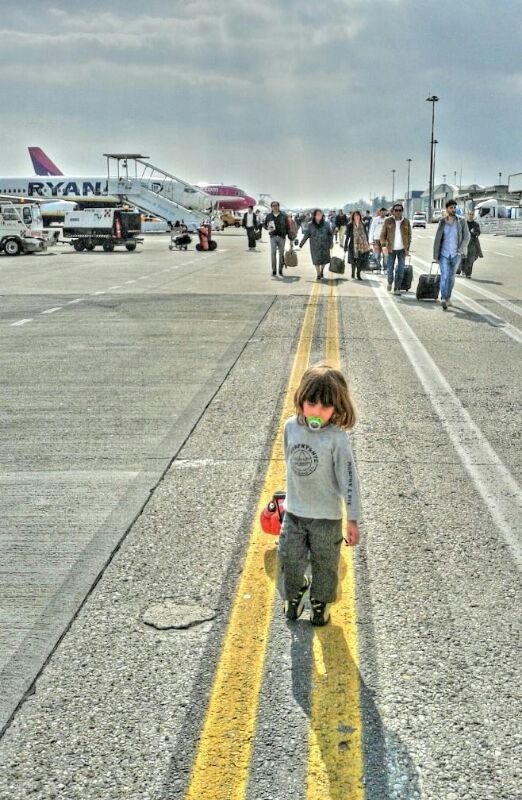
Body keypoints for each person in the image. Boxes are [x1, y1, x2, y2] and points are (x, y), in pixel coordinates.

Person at [279, 363, 361, 627]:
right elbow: (289, 463)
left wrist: (352, 519)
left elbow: (349, 480)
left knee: (325, 566)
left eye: (325, 407)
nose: (317, 411)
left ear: (337, 408)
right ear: (301, 399)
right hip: (294, 513)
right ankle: (296, 591)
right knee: (289, 559)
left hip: (326, 518)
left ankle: (320, 602)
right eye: (311, 403)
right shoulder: (290, 428)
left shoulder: (337, 439)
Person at [433, 199, 470, 309]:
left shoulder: (461, 221)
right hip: (444, 254)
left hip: (456, 254)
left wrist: (461, 249)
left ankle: (448, 297)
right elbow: (437, 239)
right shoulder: (442, 222)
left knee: (451, 277)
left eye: (454, 208)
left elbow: (467, 237)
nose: (453, 210)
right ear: (447, 209)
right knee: (444, 276)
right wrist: (435, 254)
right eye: (451, 208)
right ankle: (444, 298)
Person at [380, 202, 412, 294]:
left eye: (400, 210)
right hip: (390, 250)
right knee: (390, 269)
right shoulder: (388, 221)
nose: (398, 212)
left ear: (402, 211)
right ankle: (390, 282)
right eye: (396, 210)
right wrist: (383, 246)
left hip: (402, 250)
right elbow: (382, 235)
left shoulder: (406, 222)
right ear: (393, 211)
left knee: (401, 270)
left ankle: (397, 288)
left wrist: (407, 247)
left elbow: (409, 235)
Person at [299, 208, 333, 280]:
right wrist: (301, 243)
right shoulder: (310, 225)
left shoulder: (326, 224)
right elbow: (307, 235)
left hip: (325, 245)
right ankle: (318, 274)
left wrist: (331, 243)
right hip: (315, 246)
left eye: (320, 214)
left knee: (324, 260)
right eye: (317, 214)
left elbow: (330, 234)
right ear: (314, 216)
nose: (319, 216)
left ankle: (322, 271)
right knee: (316, 261)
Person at [264, 201, 290, 276]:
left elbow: (288, 226)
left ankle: (280, 270)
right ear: (271, 207)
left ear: (278, 206)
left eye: (276, 205)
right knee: (273, 253)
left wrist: (290, 237)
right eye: (273, 206)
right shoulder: (269, 216)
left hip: (282, 237)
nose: (275, 207)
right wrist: (267, 227)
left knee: (281, 254)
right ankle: (274, 270)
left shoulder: (284, 215)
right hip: (273, 236)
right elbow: (264, 225)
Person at [345, 210, 370, 280]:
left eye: (358, 215)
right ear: (353, 216)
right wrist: (345, 246)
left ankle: (358, 274)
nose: (357, 217)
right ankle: (353, 273)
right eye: (355, 215)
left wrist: (367, 243)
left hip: (362, 245)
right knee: (353, 261)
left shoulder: (363, 224)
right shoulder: (349, 225)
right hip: (352, 245)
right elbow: (347, 236)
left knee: (359, 260)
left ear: (360, 216)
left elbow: (366, 234)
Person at [457, 210, 482, 278]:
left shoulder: (476, 224)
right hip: (464, 244)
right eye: (470, 214)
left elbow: (478, 233)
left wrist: (474, 232)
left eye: (472, 214)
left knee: (471, 259)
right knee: (463, 258)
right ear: (467, 215)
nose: (471, 216)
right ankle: (462, 270)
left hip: (472, 244)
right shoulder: (463, 223)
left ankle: (468, 273)